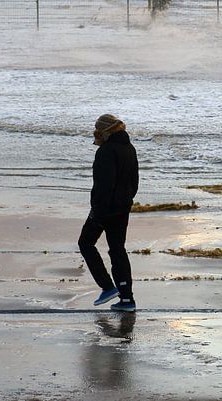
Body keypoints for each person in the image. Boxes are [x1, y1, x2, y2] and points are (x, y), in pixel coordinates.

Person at [78, 114, 139, 312]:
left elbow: (104, 186)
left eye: (97, 130)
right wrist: (126, 200)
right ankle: (127, 299)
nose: (95, 133)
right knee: (117, 250)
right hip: (123, 208)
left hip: (105, 210)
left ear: (105, 130)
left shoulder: (106, 151)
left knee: (85, 243)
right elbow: (134, 182)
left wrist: (97, 211)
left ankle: (107, 287)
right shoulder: (129, 148)